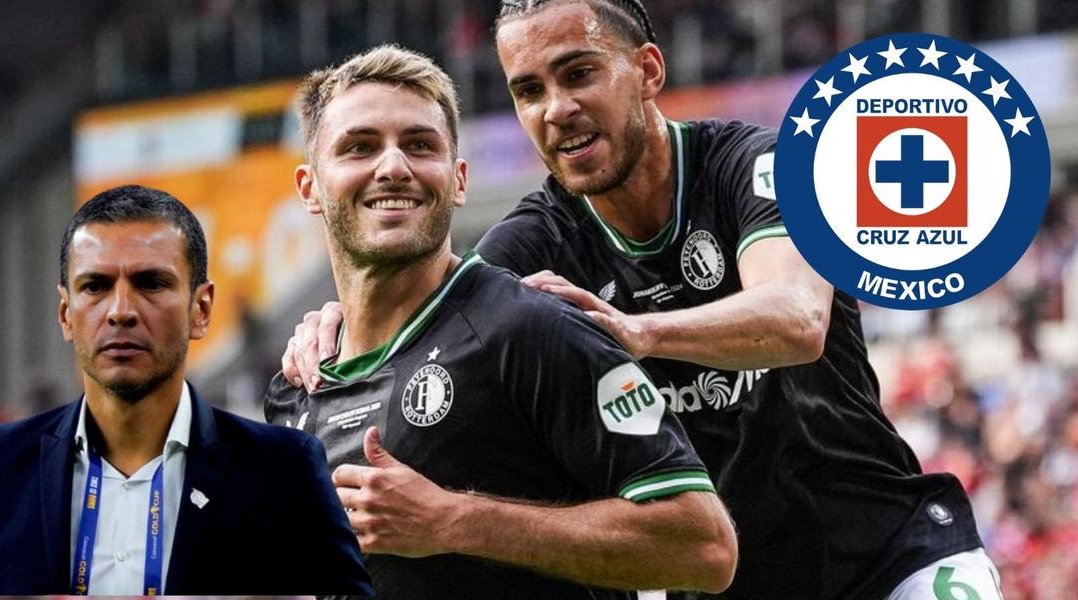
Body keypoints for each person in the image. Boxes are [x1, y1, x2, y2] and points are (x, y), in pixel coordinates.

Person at [282, 2, 1000, 599]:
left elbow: (798, 318)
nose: (557, 109)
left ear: (648, 71)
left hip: (889, 561)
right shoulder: (533, 240)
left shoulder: (757, 164)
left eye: (579, 73)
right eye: (528, 90)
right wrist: (345, 325)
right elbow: (440, 312)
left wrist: (639, 331)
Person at [264, 44, 737, 599]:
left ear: (458, 180)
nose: (393, 167)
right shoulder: (295, 392)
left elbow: (703, 545)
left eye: (419, 145)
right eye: (359, 147)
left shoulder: (530, 329)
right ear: (310, 188)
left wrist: (453, 521)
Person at [0, 185, 371, 596]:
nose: (121, 311)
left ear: (201, 308)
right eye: (95, 286)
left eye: (151, 283)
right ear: (66, 314)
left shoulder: (283, 469)